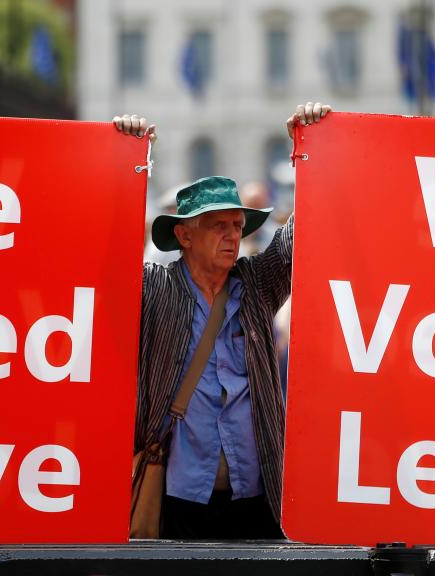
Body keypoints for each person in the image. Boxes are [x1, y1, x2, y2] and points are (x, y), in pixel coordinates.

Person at [114, 102, 331, 539]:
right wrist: (123, 157)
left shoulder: (255, 285)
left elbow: (304, 234)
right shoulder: (154, 287)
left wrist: (312, 149)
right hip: (177, 499)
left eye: (238, 225)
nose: (234, 236)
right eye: (219, 226)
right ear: (184, 235)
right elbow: (106, 247)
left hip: (256, 496)